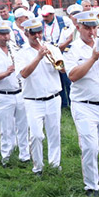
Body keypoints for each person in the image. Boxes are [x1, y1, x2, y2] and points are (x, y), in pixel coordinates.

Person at [66, 11, 99, 197]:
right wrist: (93, 58)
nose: (91, 31)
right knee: (90, 146)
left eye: (94, 27)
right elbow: (73, 76)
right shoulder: (72, 50)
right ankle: (91, 185)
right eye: (87, 27)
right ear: (78, 27)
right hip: (84, 104)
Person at [16, 18, 64, 175]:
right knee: (36, 135)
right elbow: (23, 74)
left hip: (53, 97)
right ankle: (38, 167)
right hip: (33, 100)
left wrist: (56, 60)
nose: (37, 35)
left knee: (54, 133)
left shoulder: (52, 48)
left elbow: (63, 70)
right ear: (26, 33)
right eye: (33, 33)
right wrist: (38, 57)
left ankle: (55, 164)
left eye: (39, 32)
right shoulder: (21, 53)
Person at [0, 21, 29, 166]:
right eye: (2, 34)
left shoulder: (15, 50)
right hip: (3, 94)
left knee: (23, 126)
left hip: (20, 92)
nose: (6, 37)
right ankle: (6, 156)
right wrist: (6, 73)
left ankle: (25, 155)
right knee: (6, 128)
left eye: (7, 34)